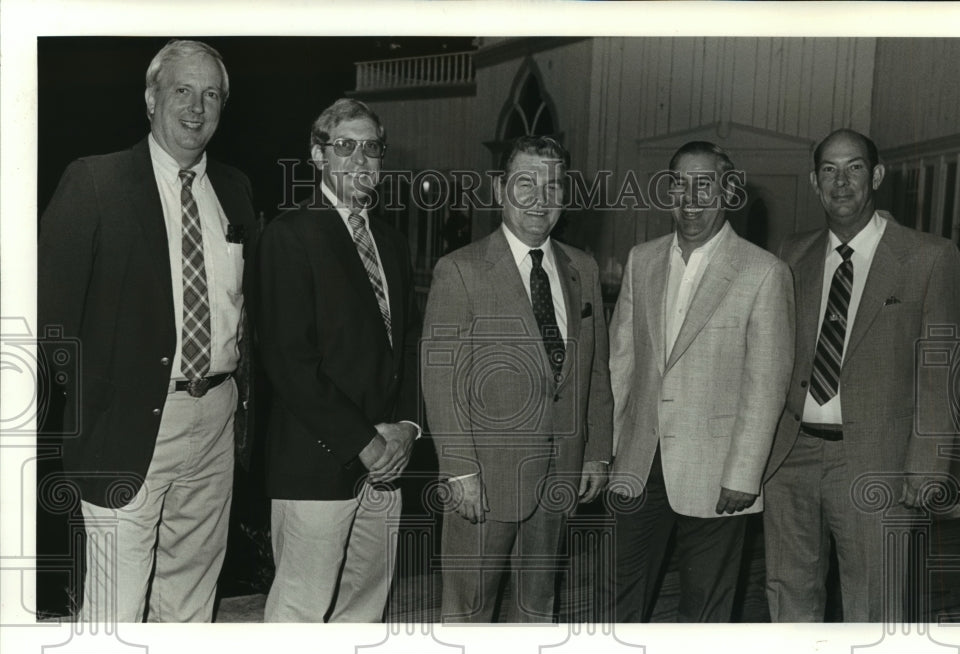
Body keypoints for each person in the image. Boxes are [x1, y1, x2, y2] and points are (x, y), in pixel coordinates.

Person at [38, 40, 256, 623]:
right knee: (114, 609)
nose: (196, 107)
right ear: (151, 97)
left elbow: (243, 307)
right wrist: (103, 399)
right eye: (182, 90)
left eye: (211, 94)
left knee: (190, 597)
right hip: (125, 426)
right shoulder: (94, 183)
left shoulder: (234, 191)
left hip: (215, 421)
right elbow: (49, 320)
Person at [763, 128, 960, 623]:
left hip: (879, 460)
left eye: (854, 167)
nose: (841, 181)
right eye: (829, 170)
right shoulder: (793, 253)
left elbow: (939, 372)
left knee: (875, 602)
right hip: (791, 455)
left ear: (876, 175)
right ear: (814, 181)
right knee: (789, 594)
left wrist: (927, 467)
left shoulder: (929, 256)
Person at [421, 135, 613, 622]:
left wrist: (595, 452)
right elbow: (440, 380)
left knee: (537, 606)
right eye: (525, 183)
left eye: (552, 185)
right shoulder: (459, 270)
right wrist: (460, 470)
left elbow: (594, 370)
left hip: (559, 474)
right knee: (468, 609)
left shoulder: (582, 268)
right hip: (484, 479)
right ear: (498, 189)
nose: (539, 199)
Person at [607, 141, 794, 622]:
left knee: (704, 613)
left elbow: (766, 383)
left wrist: (743, 473)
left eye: (704, 185)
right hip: (638, 463)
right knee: (619, 600)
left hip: (717, 474)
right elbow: (621, 363)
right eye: (679, 184)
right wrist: (610, 450)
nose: (690, 198)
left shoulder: (763, 272)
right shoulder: (642, 260)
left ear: (728, 191)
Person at [256, 99, 420, 622]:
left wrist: (408, 429)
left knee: (364, 610)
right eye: (344, 146)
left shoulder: (391, 242)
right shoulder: (290, 235)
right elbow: (288, 362)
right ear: (317, 155)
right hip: (317, 462)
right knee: (300, 614)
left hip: (388, 462)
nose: (359, 158)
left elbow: (410, 344)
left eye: (370, 148)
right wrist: (364, 443)